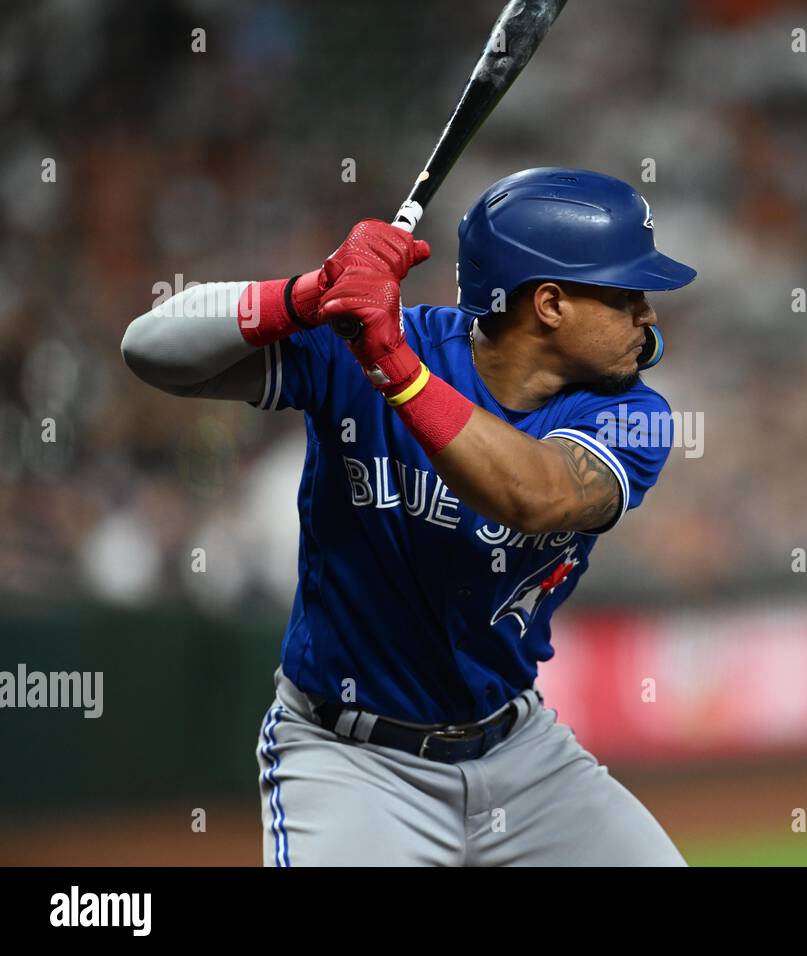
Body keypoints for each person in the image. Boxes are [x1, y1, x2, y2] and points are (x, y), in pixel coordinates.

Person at [120, 167, 696, 865]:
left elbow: (536, 494)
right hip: (352, 762)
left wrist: (393, 368)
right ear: (549, 304)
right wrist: (307, 294)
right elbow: (148, 351)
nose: (648, 315)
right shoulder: (373, 344)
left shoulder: (633, 413)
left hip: (521, 755)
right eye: (627, 294)